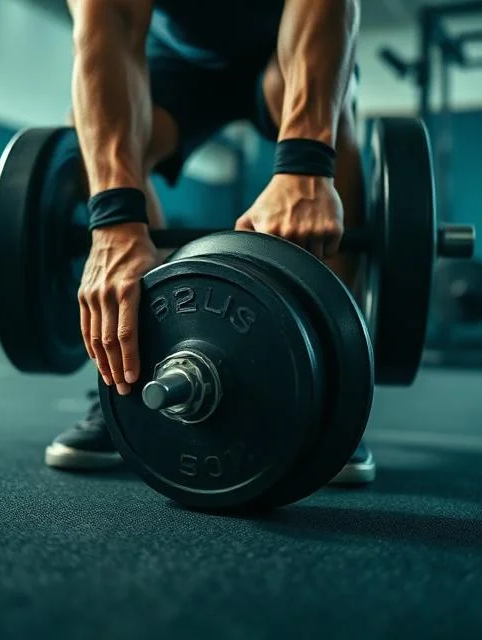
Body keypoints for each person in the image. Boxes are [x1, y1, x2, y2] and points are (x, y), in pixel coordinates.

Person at [45, 0, 375, 485]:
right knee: (91, 139)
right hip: (179, 59)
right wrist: (115, 224)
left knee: (332, 117)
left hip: (282, 42)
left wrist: (306, 166)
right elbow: (105, 24)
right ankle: (131, 381)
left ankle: (333, 390)